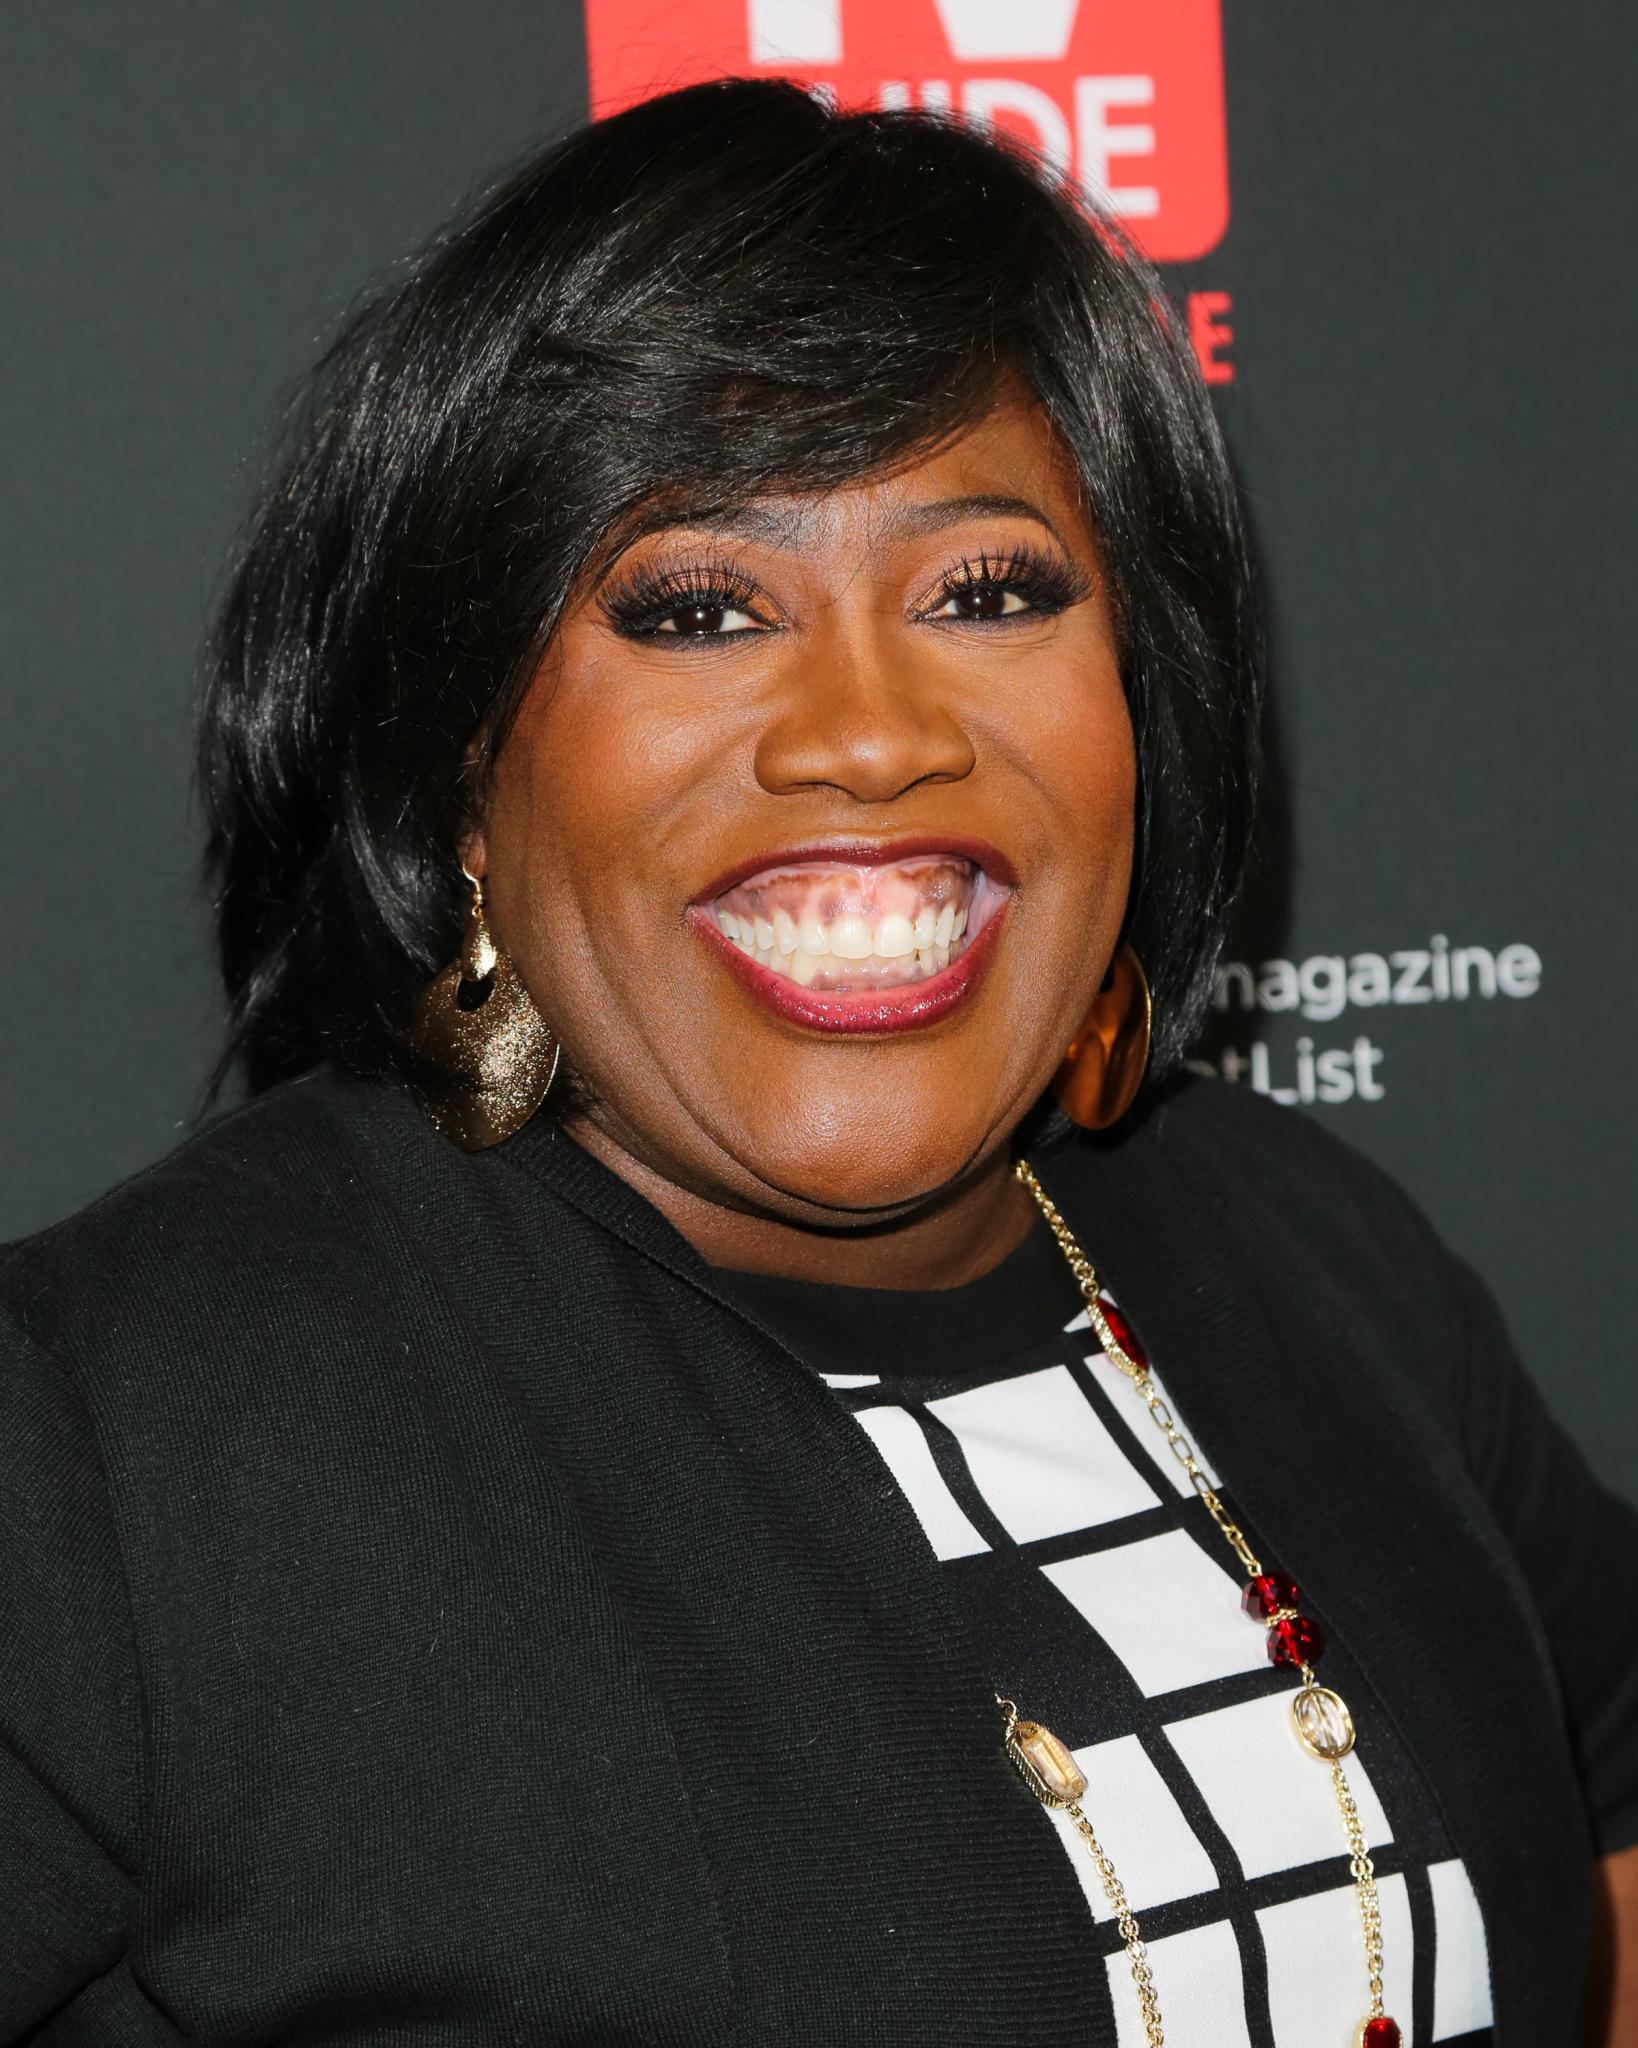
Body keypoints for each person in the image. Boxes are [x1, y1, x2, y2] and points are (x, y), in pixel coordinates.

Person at [2, 74, 1633, 2048]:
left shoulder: (1304, 1244)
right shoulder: (120, 1428)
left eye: (987, 590)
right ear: (463, 773)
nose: (871, 731)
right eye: (702, 607)